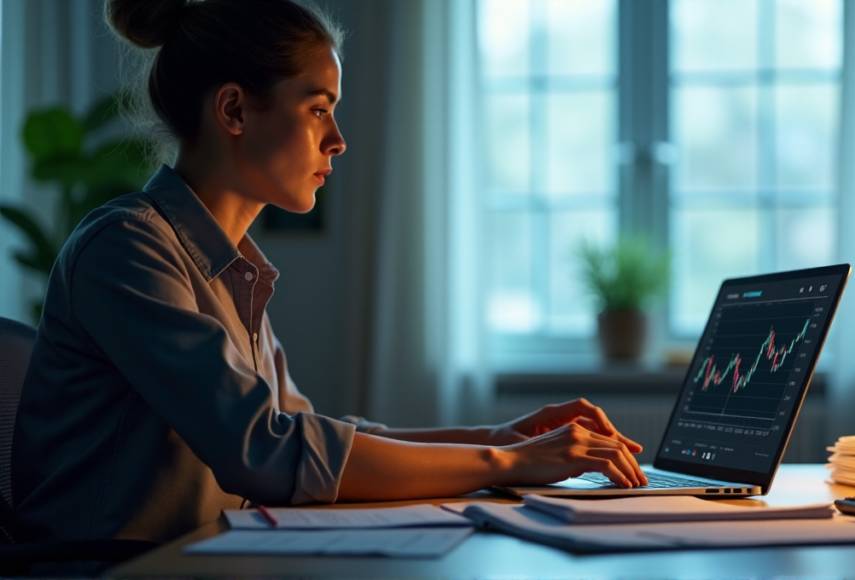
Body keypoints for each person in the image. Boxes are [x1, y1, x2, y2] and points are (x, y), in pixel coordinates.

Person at [11, 0, 647, 550]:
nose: (338, 139)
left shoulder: (229, 270)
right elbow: (266, 452)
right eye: (319, 109)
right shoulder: (127, 248)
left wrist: (496, 436)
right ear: (234, 109)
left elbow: (307, 436)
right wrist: (505, 462)